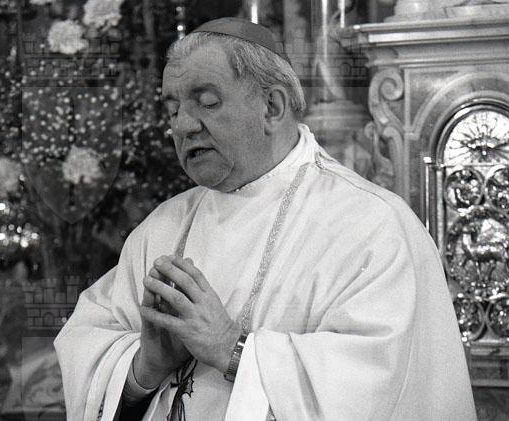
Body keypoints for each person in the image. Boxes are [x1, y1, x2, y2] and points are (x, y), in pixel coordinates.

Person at [54, 17, 476, 421]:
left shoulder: (371, 225)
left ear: (272, 107)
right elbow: (87, 343)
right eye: (172, 109)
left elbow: (378, 385)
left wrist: (230, 348)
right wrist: (145, 367)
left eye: (207, 102)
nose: (182, 126)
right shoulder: (162, 228)